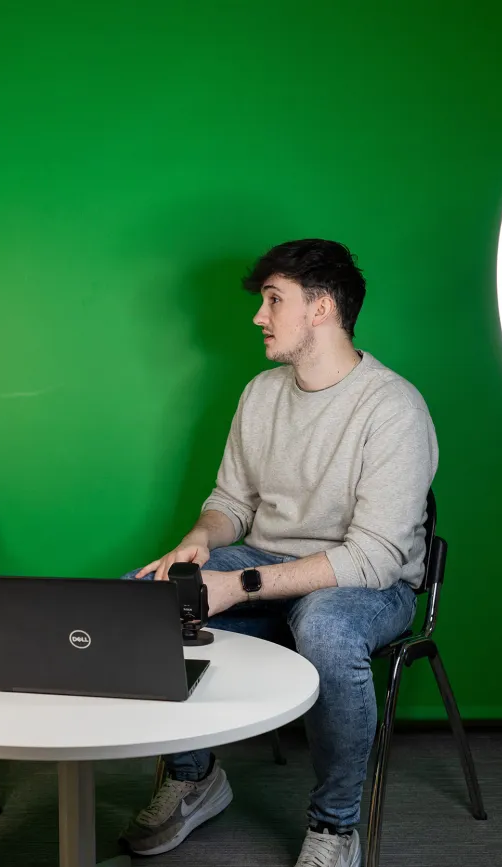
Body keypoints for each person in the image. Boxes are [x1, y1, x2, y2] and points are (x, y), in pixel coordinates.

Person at [120, 240, 438, 867]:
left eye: (273, 300)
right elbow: (231, 501)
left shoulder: (394, 408)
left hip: (368, 588)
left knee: (326, 628)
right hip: (265, 562)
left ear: (321, 308)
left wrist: (237, 585)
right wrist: (201, 540)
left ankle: (335, 826)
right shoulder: (261, 393)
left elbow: (373, 558)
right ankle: (193, 778)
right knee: (146, 596)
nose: (258, 316)